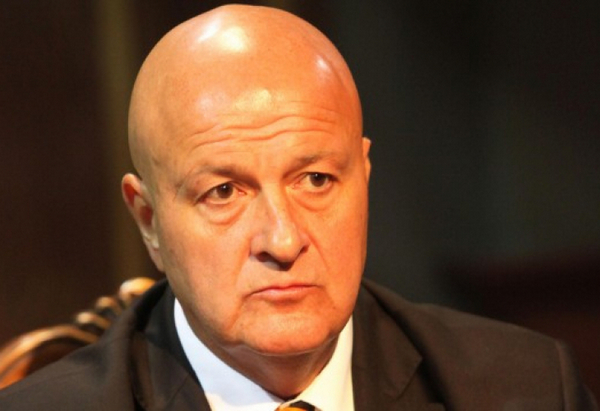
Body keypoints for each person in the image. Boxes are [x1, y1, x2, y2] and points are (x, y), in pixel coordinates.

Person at [0, 4, 596, 410]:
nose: (283, 241)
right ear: (148, 221)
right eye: (224, 192)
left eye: (315, 179)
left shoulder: (529, 388)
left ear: (363, 179)